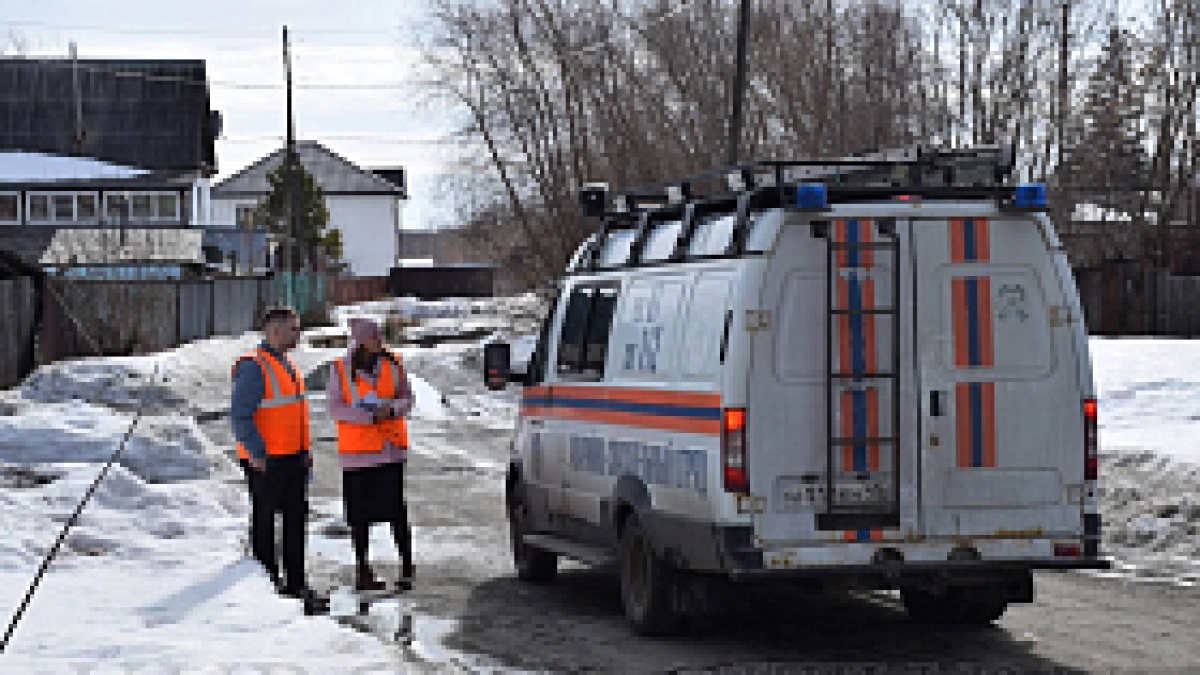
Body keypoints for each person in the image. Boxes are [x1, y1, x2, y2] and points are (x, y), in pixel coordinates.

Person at [326, 317, 416, 592]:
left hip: (389, 450)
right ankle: (363, 569)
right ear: (361, 339)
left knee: (396, 510)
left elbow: (408, 398)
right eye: (374, 336)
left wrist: (391, 410)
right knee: (359, 516)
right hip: (357, 453)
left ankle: (407, 565)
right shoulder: (340, 369)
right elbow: (334, 407)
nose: (379, 340)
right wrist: (367, 416)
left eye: (380, 335)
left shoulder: (393, 362)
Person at [231, 305, 314, 600]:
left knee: (295, 521)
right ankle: (267, 587)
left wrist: (306, 452)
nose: (299, 334)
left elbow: (294, 413)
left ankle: (296, 584)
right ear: (275, 331)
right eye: (294, 328)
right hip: (266, 461)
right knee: (264, 522)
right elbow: (240, 416)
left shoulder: (286, 363)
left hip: (293, 458)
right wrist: (255, 453)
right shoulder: (254, 366)